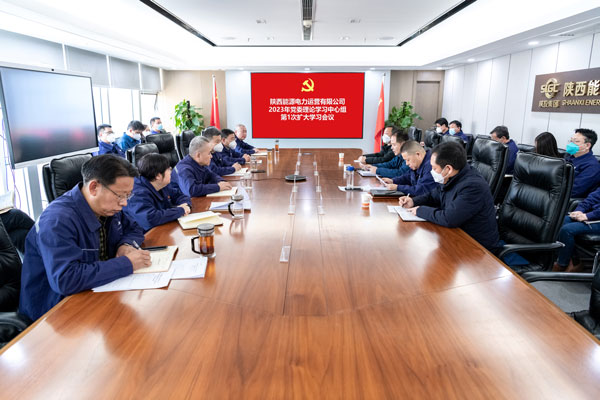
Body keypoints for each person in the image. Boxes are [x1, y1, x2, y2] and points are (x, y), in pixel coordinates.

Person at [19, 155, 151, 322]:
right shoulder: (57, 220)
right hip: (55, 313)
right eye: (120, 195)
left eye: (128, 195)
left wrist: (125, 244)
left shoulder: (108, 208)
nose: (124, 203)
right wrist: (127, 263)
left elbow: (134, 228)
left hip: (98, 289)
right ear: (94, 187)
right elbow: (66, 280)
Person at [398, 142, 500, 251]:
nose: (432, 172)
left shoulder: (473, 186)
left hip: (477, 248)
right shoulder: (451, 177)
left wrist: (420, 210)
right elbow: (433, 195)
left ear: (448, 169)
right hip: (456, 236)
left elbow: (449, 218)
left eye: (434, 168)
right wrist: (413, 201)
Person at [124, 153, 192, 232]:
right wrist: (180, 210)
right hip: (144, 235)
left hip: (162, 228)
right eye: (168, 169)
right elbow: (150, 218)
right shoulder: (137, 193)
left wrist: (186, 205)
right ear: (158, 176)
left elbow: (180, 195)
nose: (171, 171)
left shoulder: (161, 184)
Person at [553, 185, 600, 272]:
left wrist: (589, 216)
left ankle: (562, 264)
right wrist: (579, 210)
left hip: (596, 218)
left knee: (567, 230)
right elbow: (593, 197)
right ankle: (574, 261)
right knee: (560, 221)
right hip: (594, 215)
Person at [565, 128, 600, 198]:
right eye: (571, 141)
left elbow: (574, 191)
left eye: (576, 141)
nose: (571, 144)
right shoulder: (568, 157)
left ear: (587, 145)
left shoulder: (592, 166)